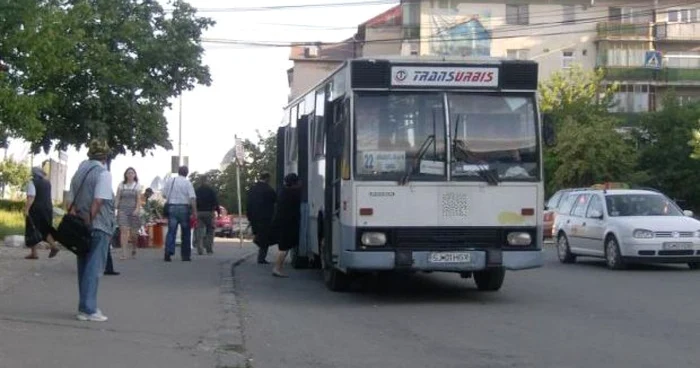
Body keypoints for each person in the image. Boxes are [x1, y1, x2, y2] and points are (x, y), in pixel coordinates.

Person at [67, 139, 116, 322]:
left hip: (80, 224)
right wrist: (89, 220)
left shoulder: (79, 172)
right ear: (105, 156)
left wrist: (77, 219)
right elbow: (98, 201)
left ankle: (83, 307)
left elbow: (69, 200)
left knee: (84, 266)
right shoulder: (103, 174)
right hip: (98, 225)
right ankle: (89, 309)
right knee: (94, 268)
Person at [24, 167, 60, 260]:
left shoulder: (32, 182)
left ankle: (34, 253)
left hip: (36, 209)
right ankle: (53, 245)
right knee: (45, 228)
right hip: (48, 208)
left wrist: (26, 209)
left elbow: (31, 197)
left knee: (32, 229)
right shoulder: (47, 183)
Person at [163, 166, 197, 262]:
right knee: (186, 232)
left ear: (178, 172)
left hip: (172, 207)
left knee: (171, 231)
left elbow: (164, 194)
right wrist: (194, 212)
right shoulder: (188, 183)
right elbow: (192, 198)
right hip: (184, 208)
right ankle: (185, 255)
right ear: (187, 173)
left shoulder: (170, 181)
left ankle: (168, 252)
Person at [271, 173, 302, 278]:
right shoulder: (292, 193)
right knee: (284, 248)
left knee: (284, 247)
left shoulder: (283, 192)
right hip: (287, 224)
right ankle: (277, 268)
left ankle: (278, 268)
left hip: (281, 222)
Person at [246, 172, 276, 264]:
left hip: (254, 217)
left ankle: (260, 254)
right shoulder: (269, 189)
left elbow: (249, 203)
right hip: (265, 217)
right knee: (265, 238)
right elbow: (274, 202)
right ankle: (261, 258)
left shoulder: (253, 189)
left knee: (261, 236)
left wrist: (249, 217)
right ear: (267, 178)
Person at [115, 167, 143, 260]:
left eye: (132, 173)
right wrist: (115, 207)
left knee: (134, 233)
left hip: (133, 210)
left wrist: (137, 209)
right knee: (124, 231)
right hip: (122, 209)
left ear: (135, 175)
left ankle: (134, 248)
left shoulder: (137, 186)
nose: (130, 174)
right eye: (128, 173)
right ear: (126, 175)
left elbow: (139, 199)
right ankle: (123, 253)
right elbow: (118, 197)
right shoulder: (121, 185)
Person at [194, 178, 220, 255]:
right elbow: (215, 201)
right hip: (209, 212)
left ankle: (200, 249)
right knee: (210, 230)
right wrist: (218, 211)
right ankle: (209, 248)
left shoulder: (197, 191)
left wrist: (193, 211)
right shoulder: (211, 190)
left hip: (199, 212)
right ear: (207, 182)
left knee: (199, 231)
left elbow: (193, 200)